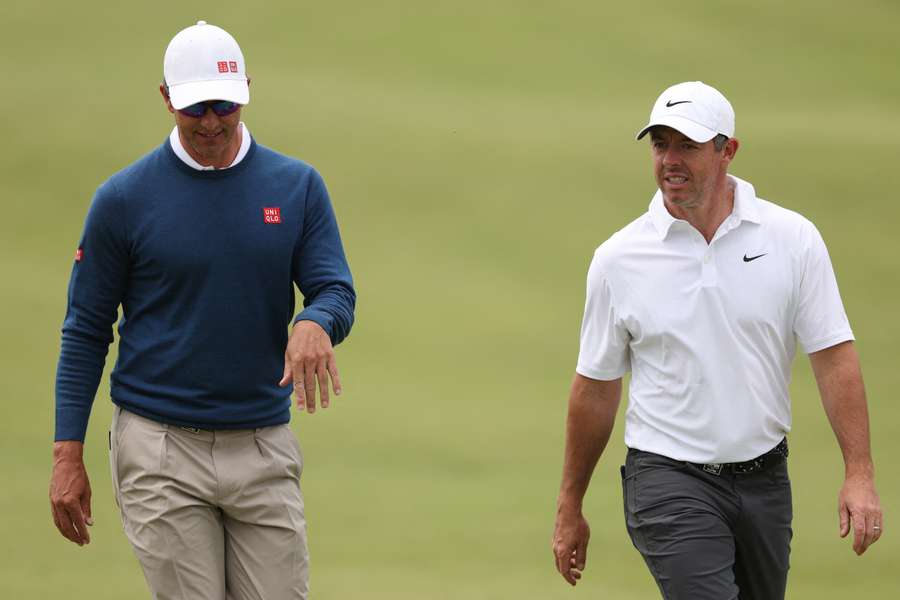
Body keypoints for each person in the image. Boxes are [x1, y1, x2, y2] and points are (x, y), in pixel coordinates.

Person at [49, 20, 355, 599]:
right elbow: (86, 330)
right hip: (160, 449)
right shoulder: (123, 200)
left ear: (245, 91)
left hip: (262, 444)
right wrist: (68, 454)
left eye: (223, 104)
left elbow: (335, 288)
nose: (211, 121)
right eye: (195, 108)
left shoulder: (296, 187)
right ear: (166, 99)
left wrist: (316, 321)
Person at [551, 81, 883, 599]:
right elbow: (594, 388)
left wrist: (858, 473)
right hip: (667, 479)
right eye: (660, 144)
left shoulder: (792, 239)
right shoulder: (619, 259)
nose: (670, 160)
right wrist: (570, 506)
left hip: (766, 480)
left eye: (687, 145)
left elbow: (834, 356)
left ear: (727, 150)